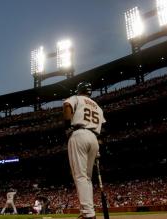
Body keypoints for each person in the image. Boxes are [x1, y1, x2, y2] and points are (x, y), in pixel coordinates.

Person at [63, 81, 106, 219]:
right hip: (94, 138)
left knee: (80, 176)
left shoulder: (76, 98)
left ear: (79, 90)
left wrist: (67, 126)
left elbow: (67, 105)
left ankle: (88, 214)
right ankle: (88, 211)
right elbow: (103, 126)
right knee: (87, 178)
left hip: (79, 134)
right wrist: (98, 145)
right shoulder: (98, 107)